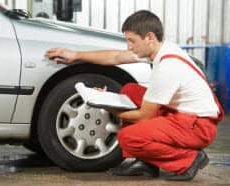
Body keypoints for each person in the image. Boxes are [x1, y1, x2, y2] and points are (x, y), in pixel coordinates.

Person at [45, 10, 221, 181]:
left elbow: (143, 117)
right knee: (130, 91)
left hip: (197, 127)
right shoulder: (160, 49)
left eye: (132, 41)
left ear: (149, 37)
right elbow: (115, 57)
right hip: (186, 116)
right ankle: (145, 163)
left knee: (128, 137)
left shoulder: (168, 67)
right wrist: (75, 55)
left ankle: (188, 160)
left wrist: (107, 105)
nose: (129, 46)